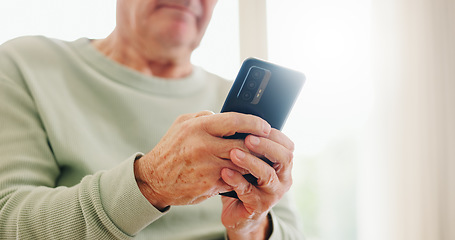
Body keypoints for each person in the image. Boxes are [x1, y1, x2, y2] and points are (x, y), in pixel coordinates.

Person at [0, 0, 303, 239]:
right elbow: (7, 223)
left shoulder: (236, 107)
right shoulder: (27, 65)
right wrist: (149, 183)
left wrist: (251, 230)